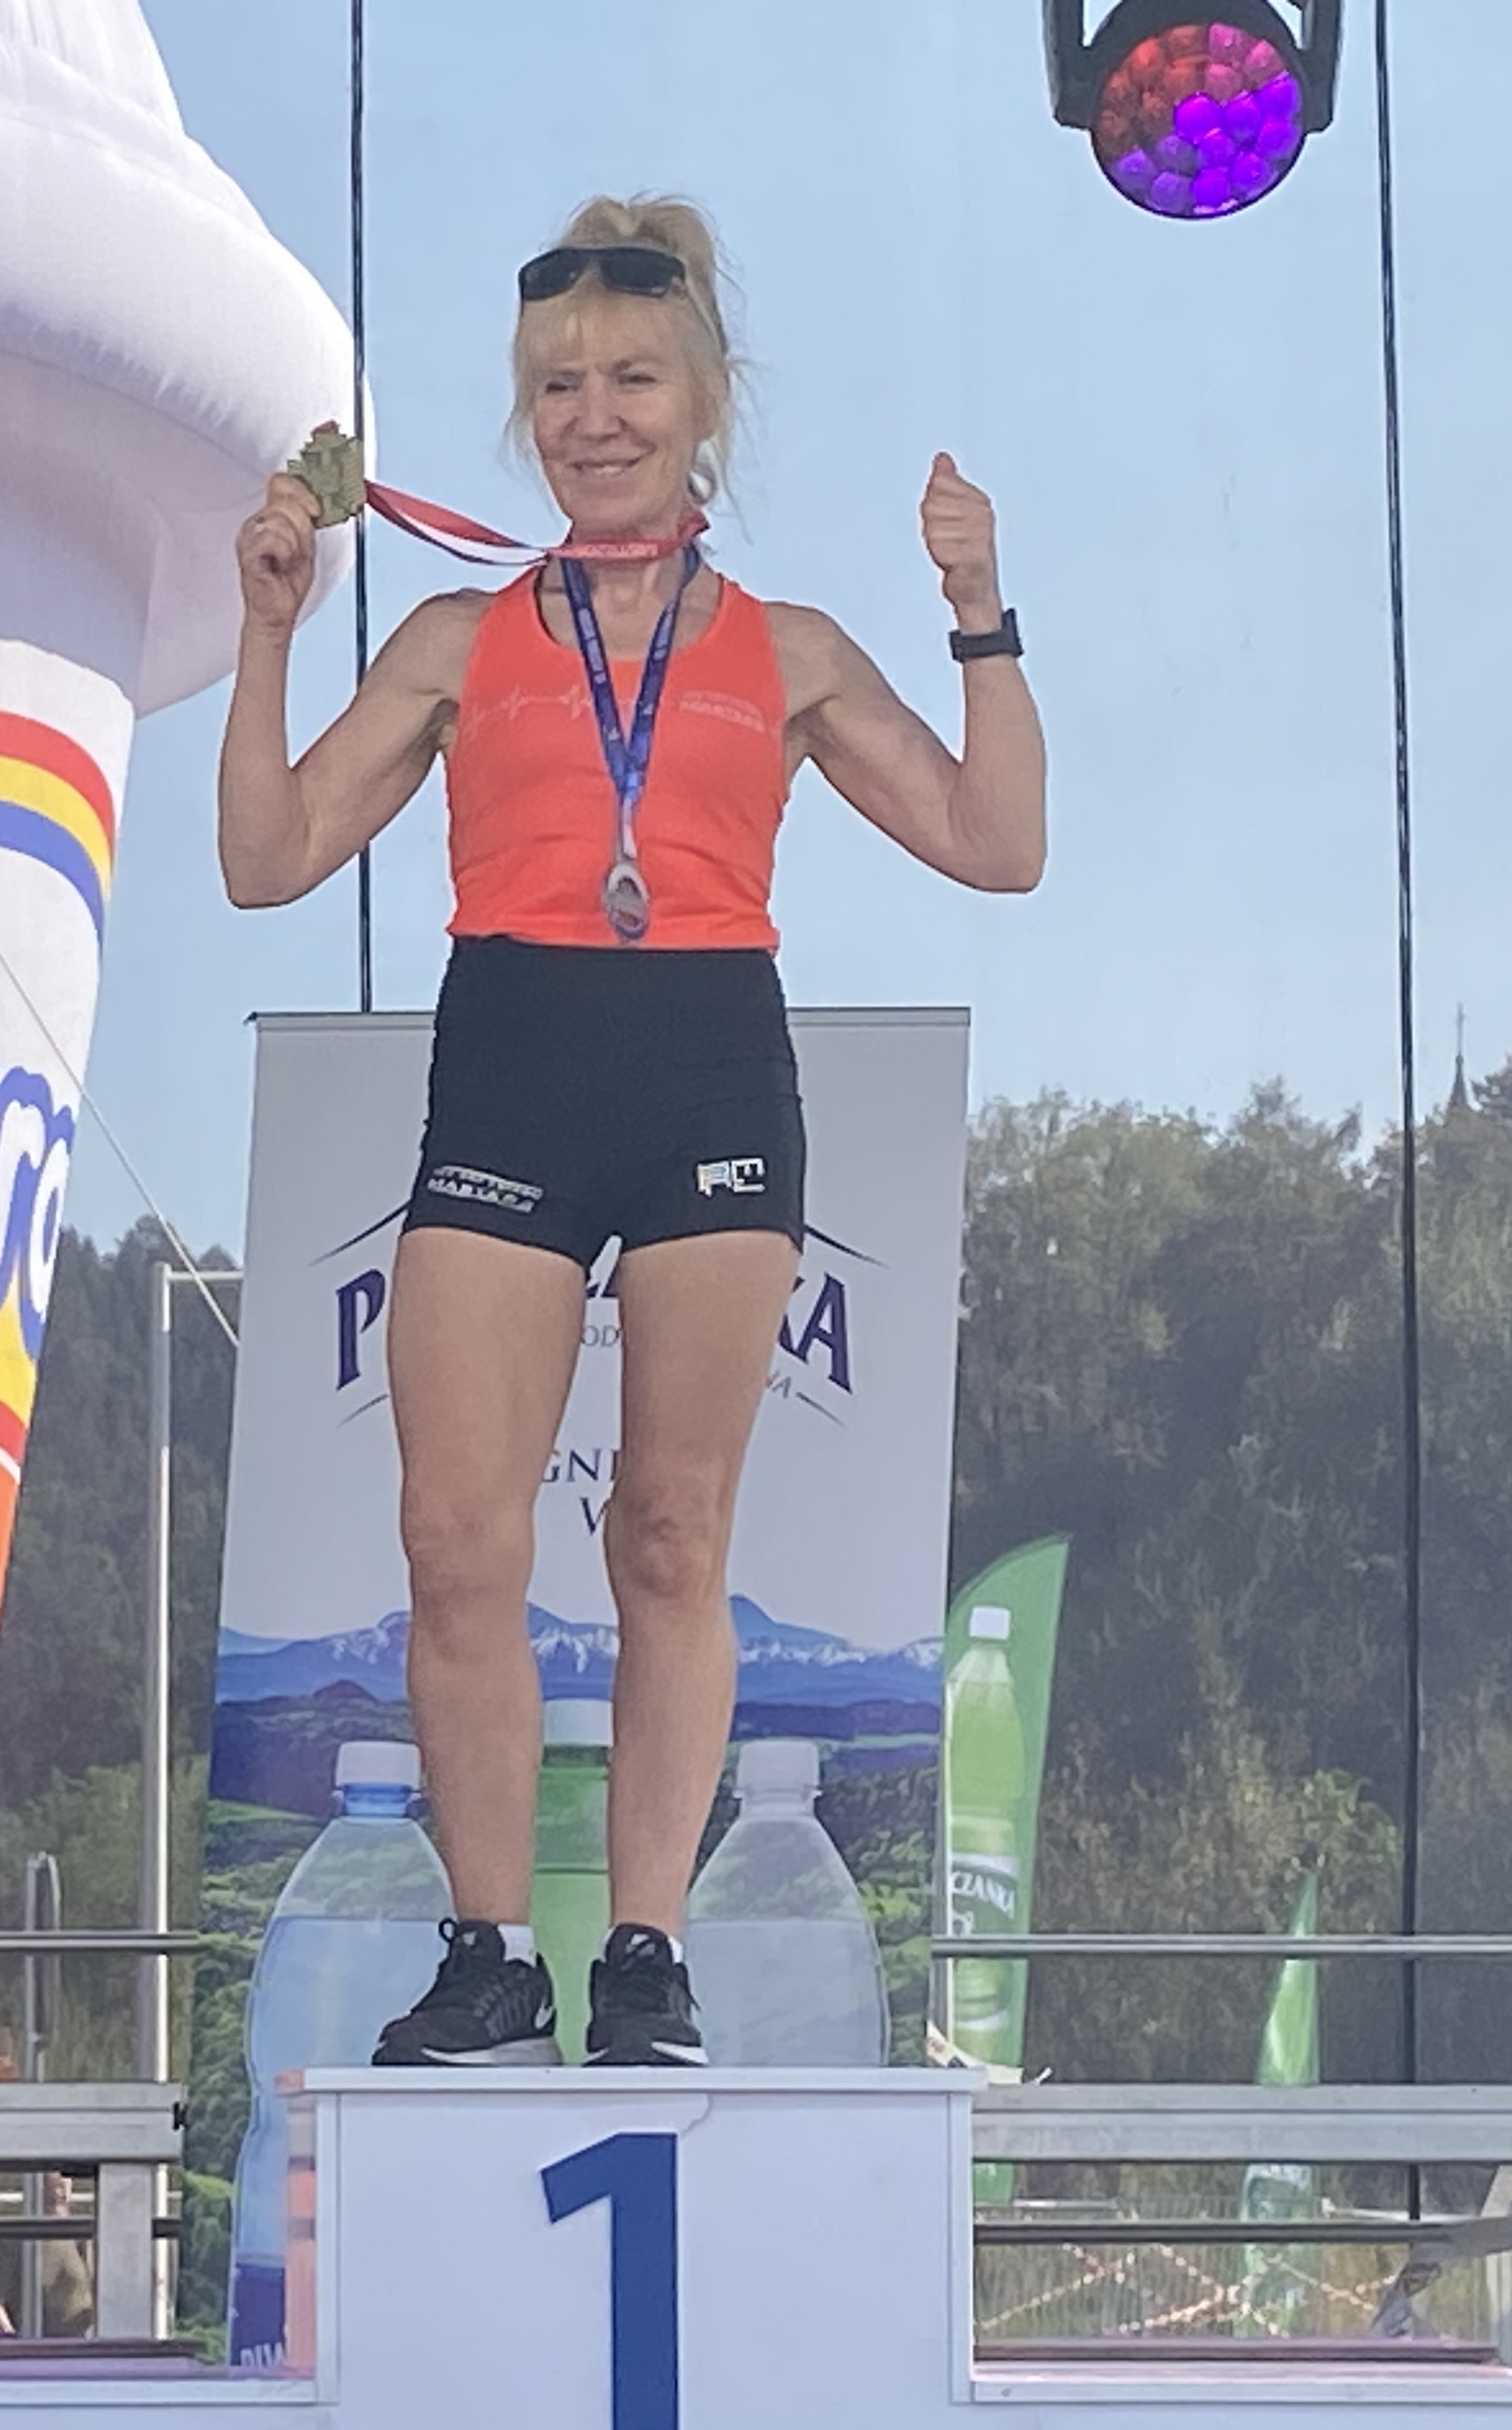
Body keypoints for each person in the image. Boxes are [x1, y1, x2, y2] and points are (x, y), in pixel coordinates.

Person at [218, 197, 1044, 2068]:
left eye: (634, 382)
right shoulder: (454, 638)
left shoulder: (789, 648)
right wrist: (267, 638)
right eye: (560, 387)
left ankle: (650, 1956)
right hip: (512, 1057)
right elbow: (268, 861)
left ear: (706, 403)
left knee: (671, 1533)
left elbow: (999, 843)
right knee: (455, 1540)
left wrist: (981, 613)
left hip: (705, 1070)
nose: (595, 418)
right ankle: (491, 1951)